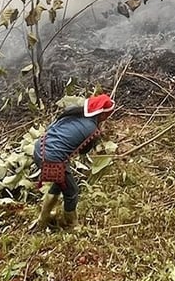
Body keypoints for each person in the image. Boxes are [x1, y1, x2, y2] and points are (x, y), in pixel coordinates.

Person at [32, 93, 115, 229]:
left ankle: (44, 218)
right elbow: (83, 151)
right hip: (53, 160)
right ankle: (71, 225)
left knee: (59, 184)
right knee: (72, 192)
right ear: (103, 115)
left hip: (39, 148)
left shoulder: (72, 113)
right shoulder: (92, 129)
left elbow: (51, 129)